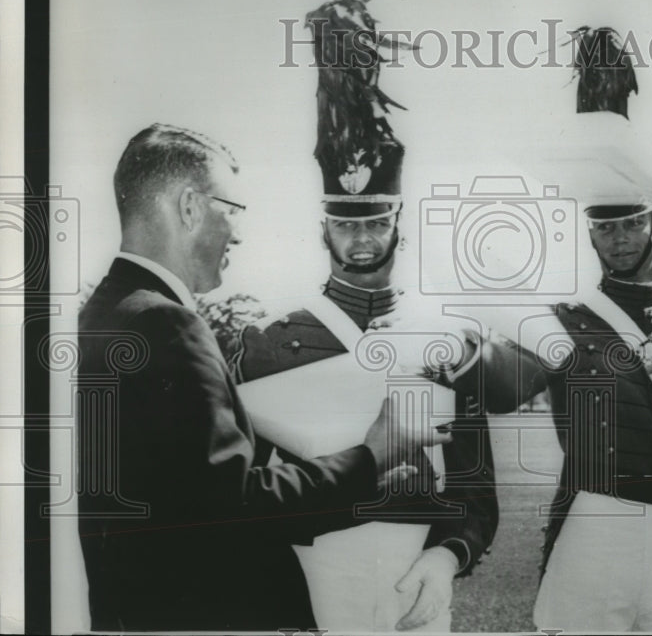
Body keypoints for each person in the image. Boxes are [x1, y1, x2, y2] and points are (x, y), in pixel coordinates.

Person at [76, 123, 442, 632]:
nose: (240, 232)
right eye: (233, 210)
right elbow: (231, 507)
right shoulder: (165, 323)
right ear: (189, 207)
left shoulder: (104, 313)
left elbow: (182, 499)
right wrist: (372, 455)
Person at [232, 0, 499, 632]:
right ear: (323, 228)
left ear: (397, 221)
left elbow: (475, 486)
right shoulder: (271, 340)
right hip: (314, 566)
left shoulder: (443, 338)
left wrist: (447, 555)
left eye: (375, 221)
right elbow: (245, 492)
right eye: (344, 224)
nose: (360, 240)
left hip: (418, 573)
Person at [473, 28, 652, 632]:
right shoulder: (564, 320)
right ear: (589, 232)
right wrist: (482, 326)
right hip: (593, 527)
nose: (618, 239)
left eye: (631, 223)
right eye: (604, 227)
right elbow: (501, 389)